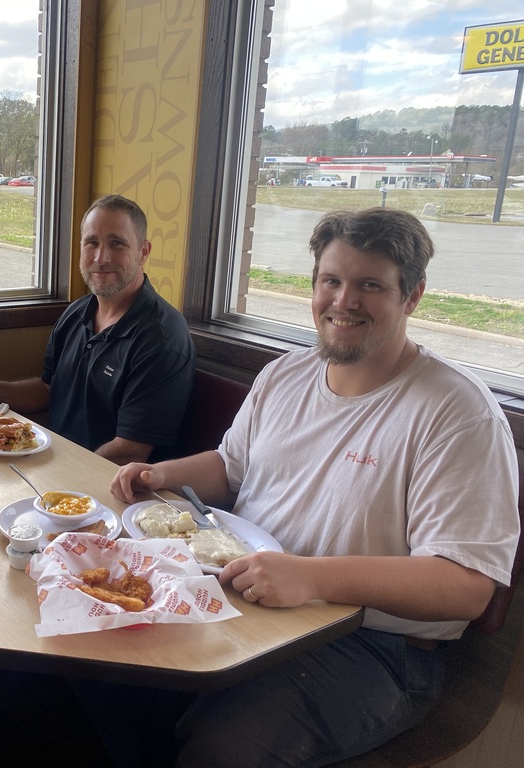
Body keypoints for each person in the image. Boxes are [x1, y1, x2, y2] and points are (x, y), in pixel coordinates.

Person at [106, 207, 520, 766]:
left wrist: (307, 576)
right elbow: (231, 469)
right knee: (111, 671)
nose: (343, 301)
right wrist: (163, 475)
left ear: (413, 295)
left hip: (373, 648)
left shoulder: (458, 413)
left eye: (369, 284)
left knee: (223, 751)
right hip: (242, 598)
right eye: (331, 280)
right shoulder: (285, 375)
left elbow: (467, 587)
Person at [0, 194, 195, 465]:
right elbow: (49, 390)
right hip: (54, 468)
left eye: (117, 244)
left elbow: (131, 450)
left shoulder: (161, 338)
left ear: (143, 252)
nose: (101, 258)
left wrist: (60, 471)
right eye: (92, 243)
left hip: (116, 489)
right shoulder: (76, 313)